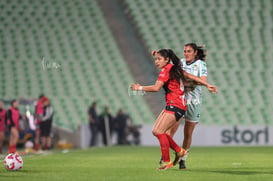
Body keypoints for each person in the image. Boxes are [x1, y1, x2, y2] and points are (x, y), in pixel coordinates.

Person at [131, 49, 217, 170]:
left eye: (159, 59)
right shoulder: (173, 68)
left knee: (160, 132)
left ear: (167, 60)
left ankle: (167, 161)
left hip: (176, 106)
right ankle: (179, 151)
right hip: (173, 105)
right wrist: (207, 85)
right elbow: (190, 76)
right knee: (156, 131)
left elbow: (156, 88)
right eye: (156, 59)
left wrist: (139, 88)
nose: (156, 62)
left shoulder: (166, 71)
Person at [167, 43, 209, 169]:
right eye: (184, 51)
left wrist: (187, 82)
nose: (185, 53)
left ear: (195, 52)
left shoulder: (201, 65)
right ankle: (167, 153)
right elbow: (175, 78)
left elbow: (202, 82)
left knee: (188, 133)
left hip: (194, 102)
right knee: (171, 129)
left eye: (188, 51)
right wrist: (192, 82)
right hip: (179, 100)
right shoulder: (180, 63)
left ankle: (183, 159)